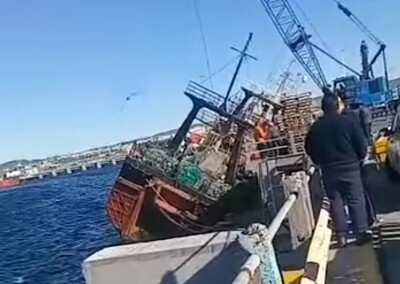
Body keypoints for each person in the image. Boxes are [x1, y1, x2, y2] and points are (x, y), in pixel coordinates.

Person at [305, 94, 372, 247]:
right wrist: (360, 158)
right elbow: (361, 144)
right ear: (337, 106)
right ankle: (360, 231)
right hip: (350, 167)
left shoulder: (316, 127)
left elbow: (308, 148)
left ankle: (341, 236)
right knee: (355, 198)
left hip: (329, 170)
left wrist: (318, 160)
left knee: (336, 201)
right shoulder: (349, 122)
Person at [337, 95, 379, 228]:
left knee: (354, 195)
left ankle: (365, 222)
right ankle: (368, 221)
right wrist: (362, 155)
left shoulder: (345, 119)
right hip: (353, 161)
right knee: (360, 192)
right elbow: (362, 137)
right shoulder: (351, 117)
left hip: (346, 163)